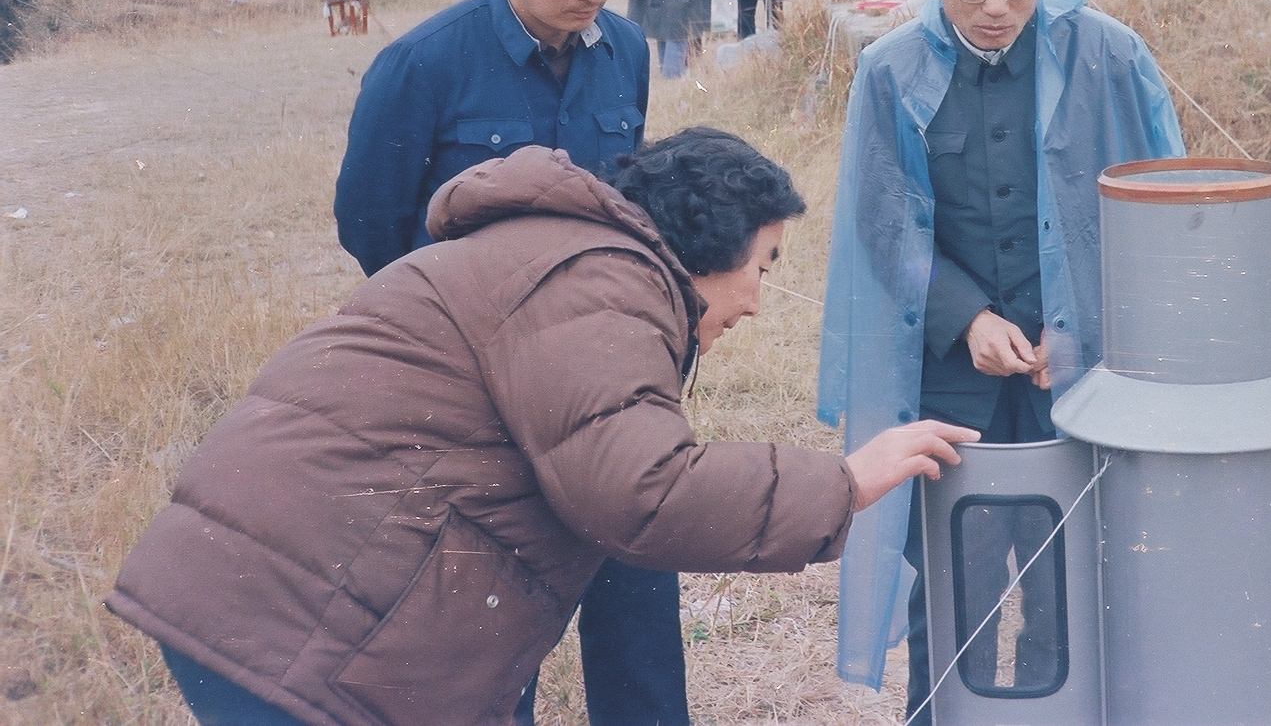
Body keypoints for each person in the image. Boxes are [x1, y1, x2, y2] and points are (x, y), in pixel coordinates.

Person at [110, 130, 979, 726]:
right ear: (704, 247)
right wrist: (847, 481)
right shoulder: (599, 278)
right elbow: (640, 489)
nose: (756, 299)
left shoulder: (560, 258)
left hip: (267, 602)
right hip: (287, 627)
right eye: (762, 266)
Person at [815, 0, 1184, 718]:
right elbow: (880, 220)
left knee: (1079, 584)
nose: (994, 7)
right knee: (953, 588)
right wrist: (966, 317)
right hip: (951, 380)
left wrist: (1080, 331)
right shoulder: (891, 71)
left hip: (1085, 377)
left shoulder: (1109, 58)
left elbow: (1157, 210)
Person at [330, 0, 678, 726]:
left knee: (637, 583)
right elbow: (371, 224)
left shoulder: (626, 53)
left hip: (603, 379)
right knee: (483, 619)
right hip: (473, 392)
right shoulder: (420, 66)